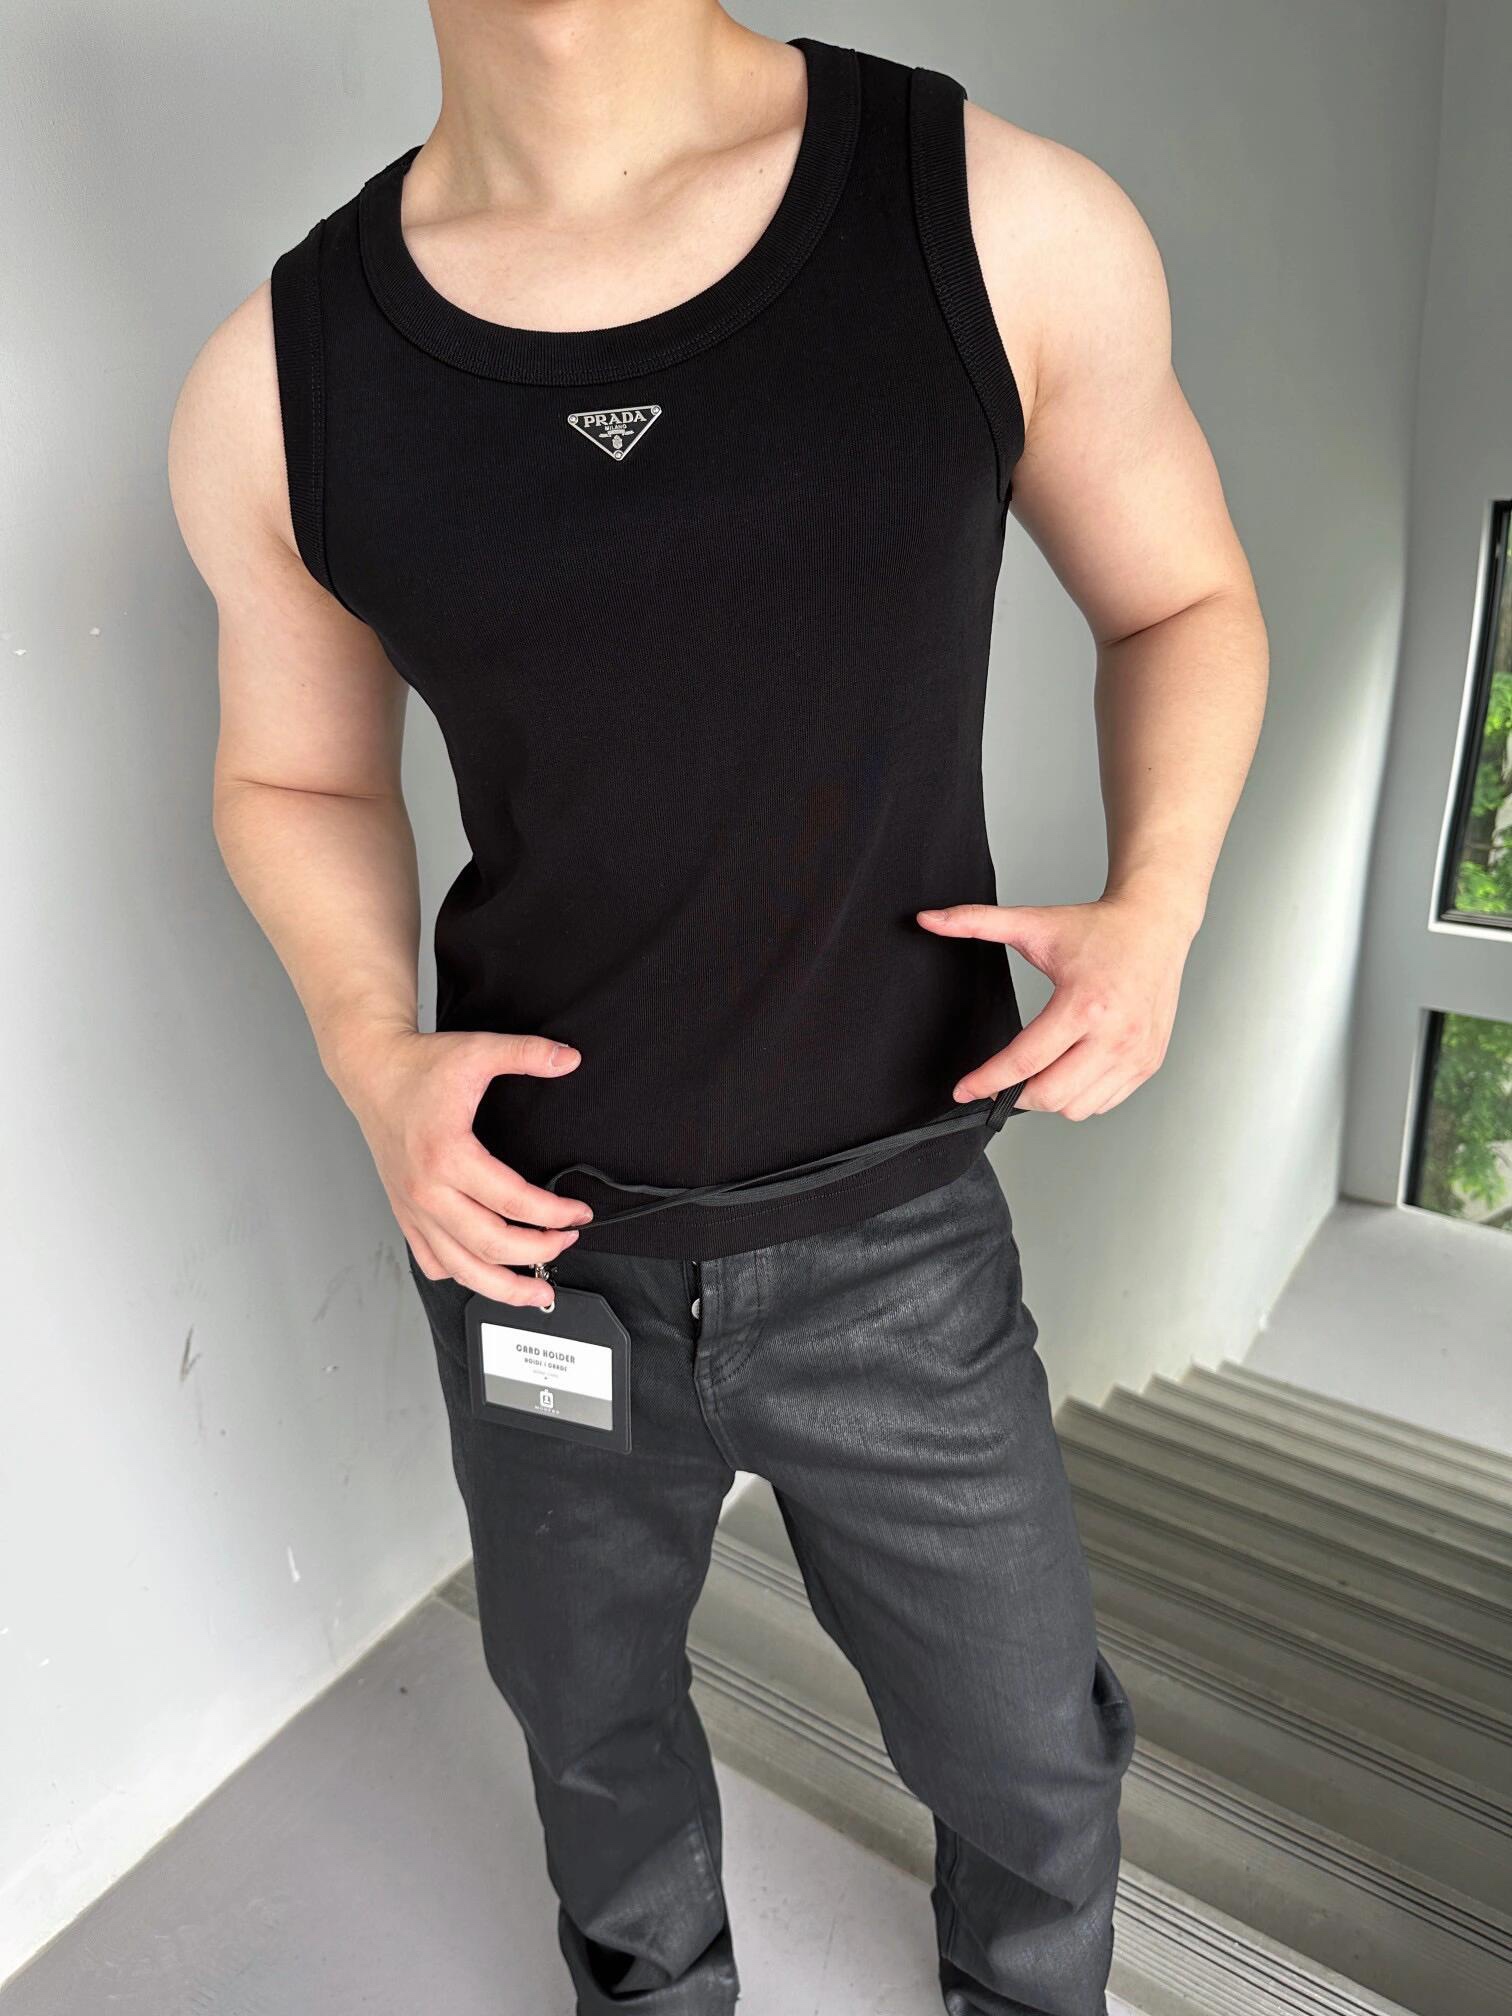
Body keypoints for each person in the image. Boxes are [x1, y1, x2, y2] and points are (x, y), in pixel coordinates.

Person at [169, 4, 1266, 2011]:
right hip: (536, 1250)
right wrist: (364, 1044)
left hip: (898, 1242)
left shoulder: (995, 220)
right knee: (588, 1737)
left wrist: (1163, 901)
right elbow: (294, 775)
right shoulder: (278, 380)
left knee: (1030, 1750)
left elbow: (1182, 598)